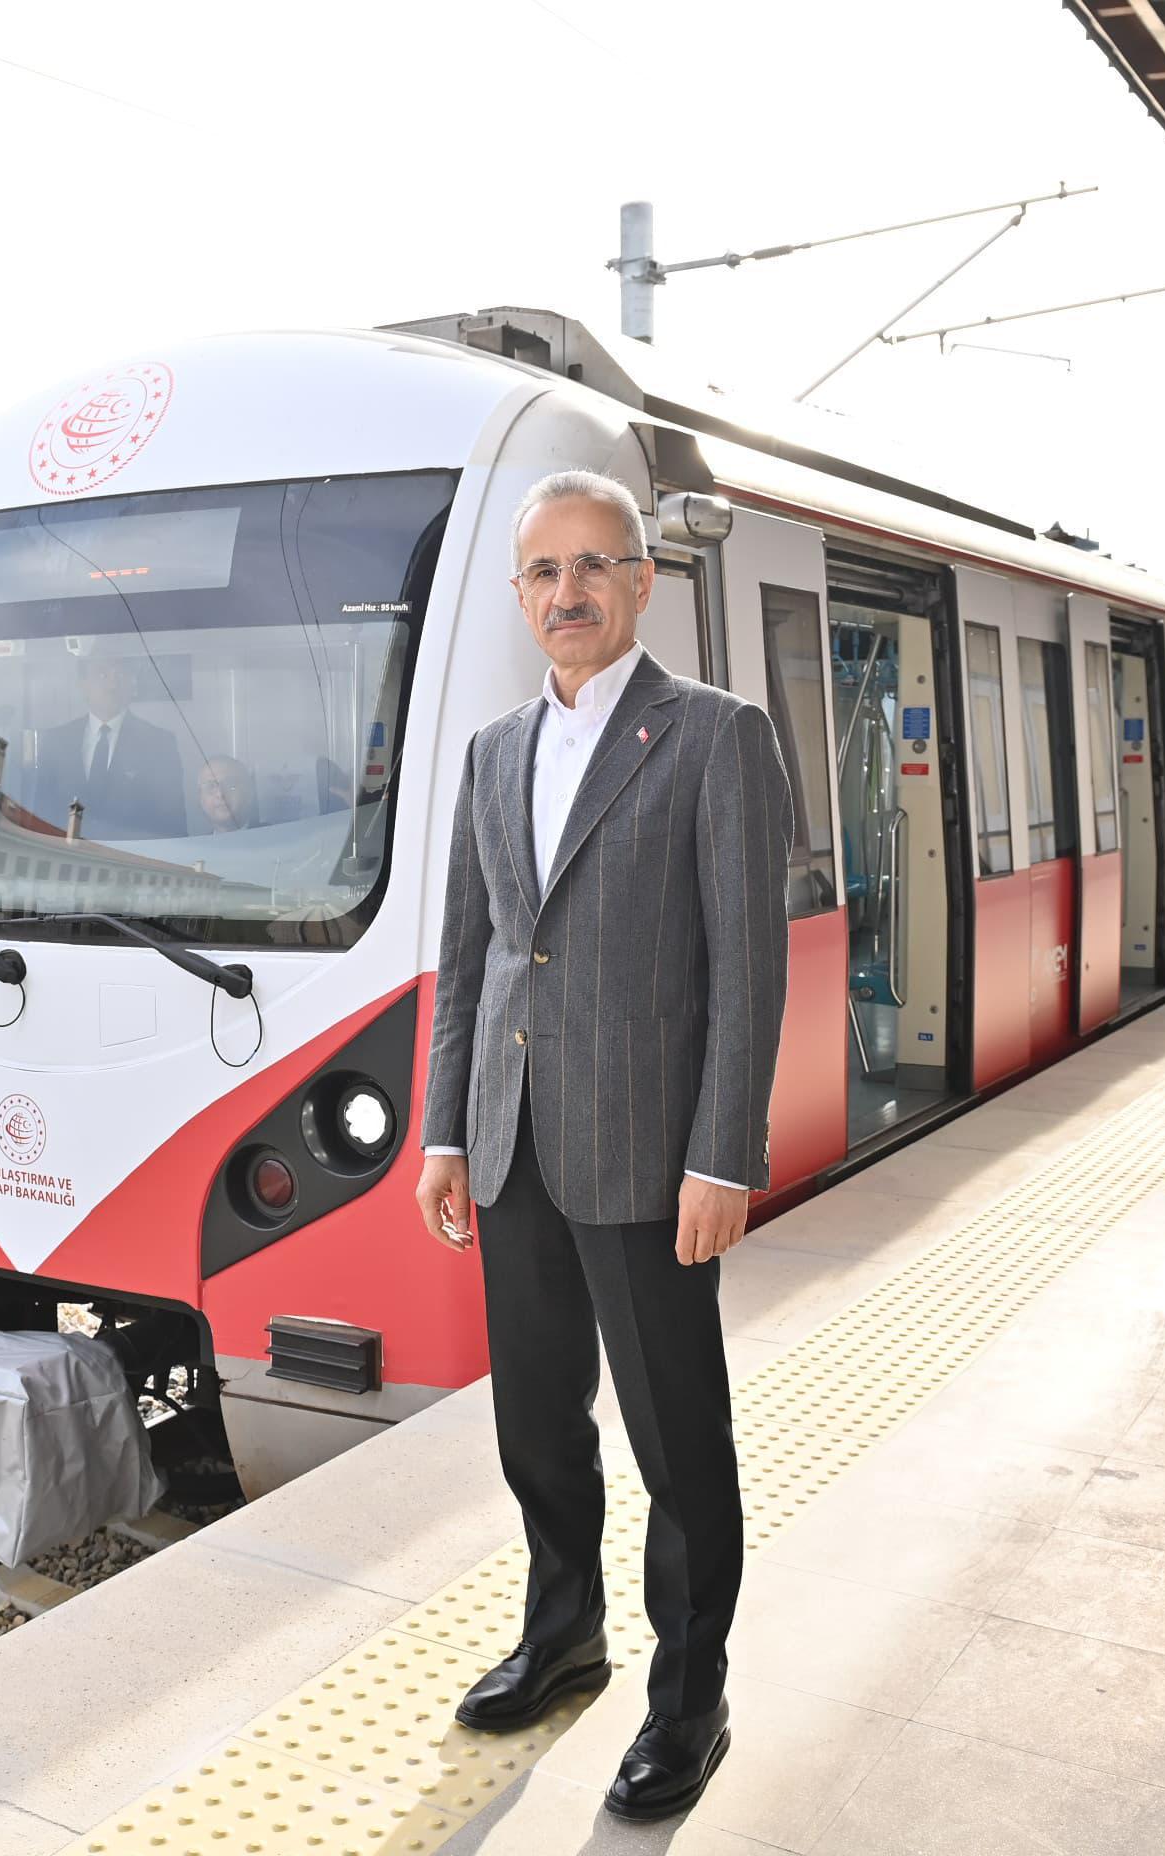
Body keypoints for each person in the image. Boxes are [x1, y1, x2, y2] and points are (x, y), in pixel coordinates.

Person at [412, 469, 792, 1824]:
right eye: (543, 574)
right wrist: (444, 1125)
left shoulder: (714, 737)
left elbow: (749, 970)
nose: (567, 593)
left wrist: (722, 1155)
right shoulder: (492, 751)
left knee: (678, 1444)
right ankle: (564, 1632)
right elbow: (471, 959)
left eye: (593, 566)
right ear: (521, 599)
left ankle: (691, 1702)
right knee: (538, 1428)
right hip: (512, 1144)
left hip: (646, 1155)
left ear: (642, 582)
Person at [22, 654, 185, 840]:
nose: (112, 685)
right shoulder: (56, 741)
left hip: (134, 862)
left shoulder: (159, 743)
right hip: (64, 861)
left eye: (120, 675)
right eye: (102, 675)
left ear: (132, 684)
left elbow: (173, 825)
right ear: (83, 685)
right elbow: (39, 816)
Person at [195, 755, 258, 833]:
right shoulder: (195, 844)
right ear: (200, 799)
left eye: (230, 785)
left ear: (248, 793)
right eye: (210, 786)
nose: (220, 794)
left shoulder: (273, 836)